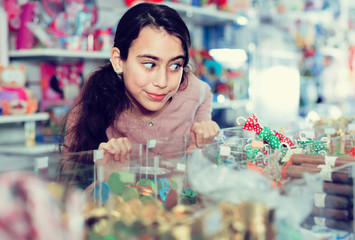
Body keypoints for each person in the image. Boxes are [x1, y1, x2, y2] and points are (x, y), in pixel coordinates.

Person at [60, 2, 220, 187]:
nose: (162, 82)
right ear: (119, 61)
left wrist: (203, 139)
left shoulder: (193, 91)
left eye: (175, 65)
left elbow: (204, 95)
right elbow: (70, 198)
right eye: (150, 64)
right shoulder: (89, 110)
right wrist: (109, 180)